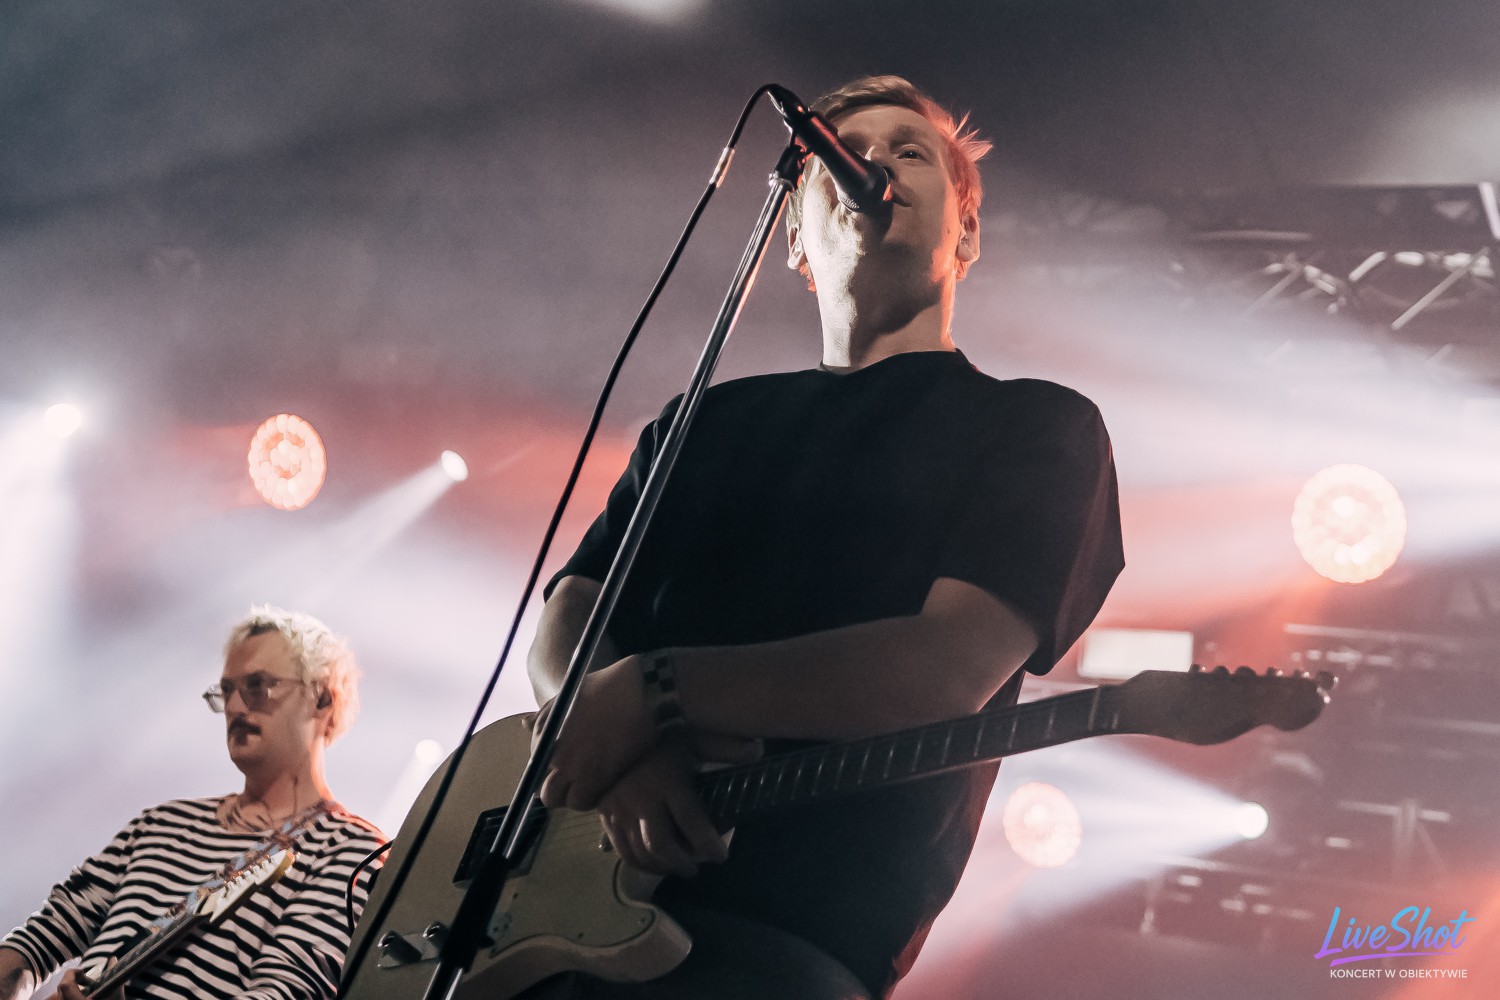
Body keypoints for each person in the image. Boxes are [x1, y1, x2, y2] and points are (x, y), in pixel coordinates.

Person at [525, 75, 1124, 999]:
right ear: (795, 239)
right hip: (551, 926)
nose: (872, 163)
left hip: (787, 948)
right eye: (842, 157)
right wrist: (612, 754)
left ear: (966, 234)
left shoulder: (1039, 428)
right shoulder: (702, 423)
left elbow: (945, 667)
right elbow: (572, 609)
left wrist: (655, 692)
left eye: (909, 153)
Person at [0, 606, 385, 1000]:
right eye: (227, 691)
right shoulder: (160, 824)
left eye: (258, 686)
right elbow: (38, 940)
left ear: (322, 698)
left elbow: (284, 991)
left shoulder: (352, 854)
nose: (235, 707)